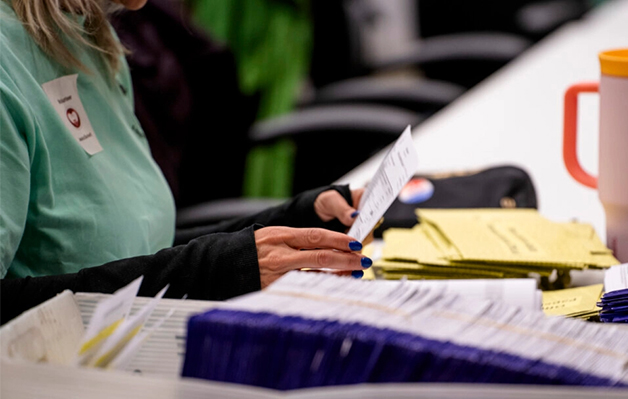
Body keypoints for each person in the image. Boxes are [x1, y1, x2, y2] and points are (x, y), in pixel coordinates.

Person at [0, 0, 372, 325]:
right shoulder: (8, 67)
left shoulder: (92, 37)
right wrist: (218, 269)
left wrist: (297, 221)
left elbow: (126, 252)